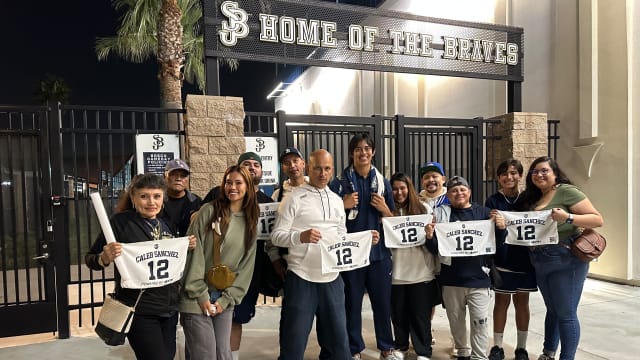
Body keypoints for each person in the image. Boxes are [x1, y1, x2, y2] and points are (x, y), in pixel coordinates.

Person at [272, 149, 379, 359]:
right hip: (302, 277)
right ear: (308, 168)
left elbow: (341, 237)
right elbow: (277, 236)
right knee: (293, 344)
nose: (322, 173)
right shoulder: (293, 198)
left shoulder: (337, 200)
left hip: (332, 279)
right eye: (318, 168)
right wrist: (299, 237)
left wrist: (365, 240)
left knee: (339, 347)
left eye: (327, 168)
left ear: (332, 170)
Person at [85, 173, 196, 360]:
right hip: (140, 311)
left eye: (157, 196)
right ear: (133, 198)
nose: (151, 202)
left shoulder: (167, 224)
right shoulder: (121, 223)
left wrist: (186, 246)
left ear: (163, 198)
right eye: (144, 196)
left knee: (168, 356)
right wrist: (104, 257)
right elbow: (90, 259)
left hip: (169, 309)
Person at [517, 156, 603, 360]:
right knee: (553, 310)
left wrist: (568, 217)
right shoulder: (535, 197)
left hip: (566, 260)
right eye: (535, 172)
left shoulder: (566, 191)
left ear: (555, 173)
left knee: (566, 313)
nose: (539, 175)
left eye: (544, 170)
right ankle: (548, 352)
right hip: (540, 260)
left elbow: (597, 219)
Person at [180, 165, 259, 359]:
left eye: (238, 183)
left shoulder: (250, 220)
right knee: (205, 353)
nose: (232, 187)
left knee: (223, 353)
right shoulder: (208, 211)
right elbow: (194, 253)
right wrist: (201, 295)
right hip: (197, 295)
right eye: (228, 182)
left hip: (224, 296)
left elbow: (246, 266)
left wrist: (226, 299)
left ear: (248, 187)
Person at [329, 133, 397, 360]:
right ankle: (354, 348)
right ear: (351, 153)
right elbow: (327, 216)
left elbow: (393, 220)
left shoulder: (383, 182)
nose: (363, 152)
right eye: (358, 149)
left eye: (367, 148)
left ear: (373, 152)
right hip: (350, 254)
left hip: (379, 254)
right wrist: (342, 204)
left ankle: (386, 347)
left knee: (382, 304)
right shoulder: (339, 183)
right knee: (352, 304)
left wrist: (385, 209)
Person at [425, 176, 506, 360]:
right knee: (456, 322)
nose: (458, 193)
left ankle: (479, 356)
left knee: (480, 322)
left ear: (469, 192)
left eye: (462, 189)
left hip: (478, 278)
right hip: (451, 278)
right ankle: (463, 352)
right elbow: (435, 249)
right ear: (449, 194)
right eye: (454, 190)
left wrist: (501, 228)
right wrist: (430, 237)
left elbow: (497, 244)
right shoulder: (440, 214)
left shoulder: (484, 213)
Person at [202, 151, 273, 360]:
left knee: (236, 317)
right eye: (246, 164)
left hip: (248, 270)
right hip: (214, 269)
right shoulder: (217, 195)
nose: (252, 167)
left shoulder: (267, 202)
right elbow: (198, 221)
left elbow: (272, 241)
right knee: (207, 317)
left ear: (261, 170)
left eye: (256, 165)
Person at [485, 159, 536, 360]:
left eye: (514, 173)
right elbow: (487, 230)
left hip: (525, 259)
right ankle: (497, 346)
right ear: (498, 178)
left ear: (520, 176)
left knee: (522, 302)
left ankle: (521, 348)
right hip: (503, 259)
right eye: (504, 174)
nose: (509, 177)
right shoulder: (493, 201)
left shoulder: (529, 200)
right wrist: (493, 222)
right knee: (501, 302)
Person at [388, 172, 439, 360]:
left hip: (421, 272)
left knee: (420, 316)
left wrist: (429, 233)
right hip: (396, 273)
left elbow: (433, 242)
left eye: (402, 188)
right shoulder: (387, 212)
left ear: (409, 188)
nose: (399, 192)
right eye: (394, 189)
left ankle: (423, 350)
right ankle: (400, 347)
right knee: (399, 315)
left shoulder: (424, 208)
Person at [266, 147, 308, 282]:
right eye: (287, 163)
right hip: (289, 262)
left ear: (303, 163)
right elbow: (270, 230)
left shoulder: (318, 189)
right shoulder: (277, 195)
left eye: (295, 161)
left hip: (315, 258)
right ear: (283, 168)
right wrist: (275, 259)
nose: (292, 166)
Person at [163, 159, 202, 236]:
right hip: (163, 246)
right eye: (174, 174)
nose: (178, 179)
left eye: (183, 176)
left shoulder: (196, 201)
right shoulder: (157, 201)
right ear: (165, 176)